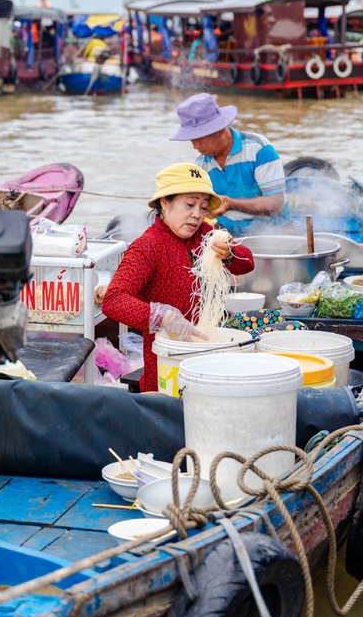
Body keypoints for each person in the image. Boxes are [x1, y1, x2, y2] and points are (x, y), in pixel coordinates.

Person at [102, 163, 254, 392]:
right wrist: (162, 316)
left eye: (203, 208)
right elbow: (112, 300)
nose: (197, 214)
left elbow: (247, 264)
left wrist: (230, 254)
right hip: (167, 365)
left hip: (206, 352)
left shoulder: (204, 234)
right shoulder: (148, 246)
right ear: (165, 202)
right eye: (190, 204)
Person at [170, 93, 287, 236]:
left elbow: (276, 205)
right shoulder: (201, 166)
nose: (195, 146)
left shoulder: (258, 149)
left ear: (219, 129)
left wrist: (231, 204)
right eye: (191, 140)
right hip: (227, 232)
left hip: (272, 230)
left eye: (199, 139)